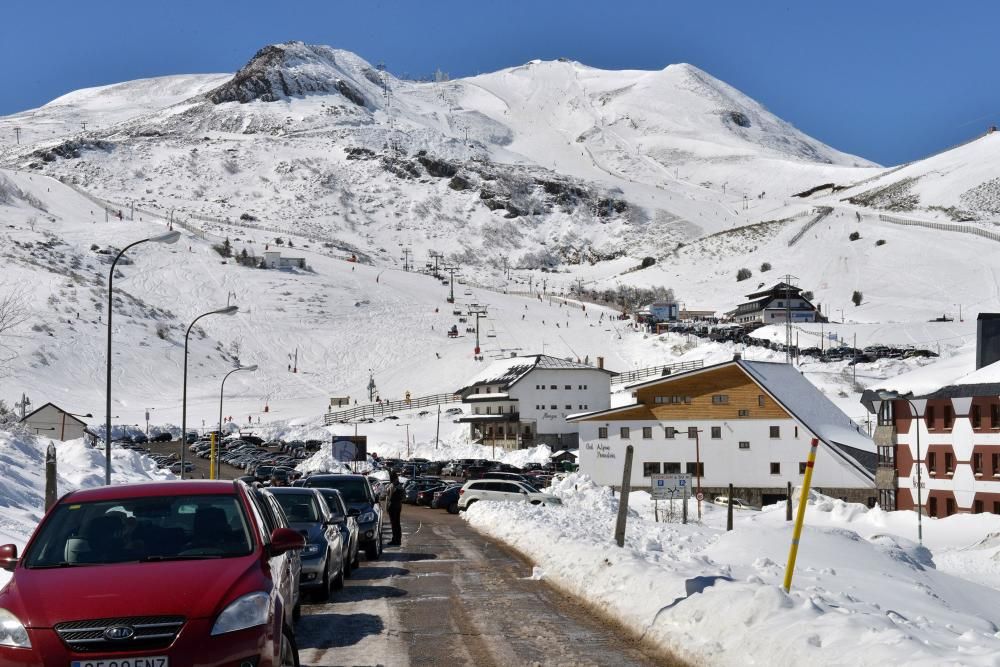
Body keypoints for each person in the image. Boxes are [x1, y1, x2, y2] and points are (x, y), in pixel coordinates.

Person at [387, 471, 403, 546]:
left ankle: (395, 539)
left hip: (392, 507)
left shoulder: (392, 485)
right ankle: (398, 539)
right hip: (398, 506)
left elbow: (388, 497)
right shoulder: (400, 486)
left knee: (394, 524)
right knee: (397, 523)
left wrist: (387, 507)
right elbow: (404, 497)